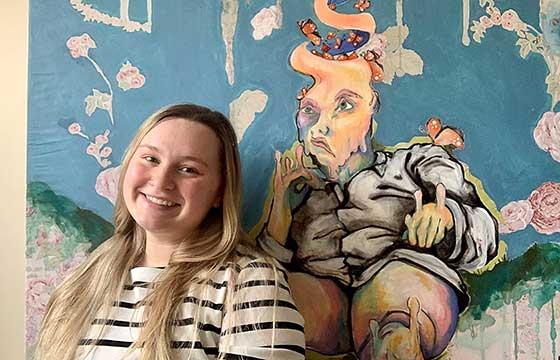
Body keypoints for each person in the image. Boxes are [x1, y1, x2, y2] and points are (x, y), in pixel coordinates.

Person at [255, 1, 498, 359]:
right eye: (311, 110)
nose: (322, 126)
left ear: (371, 113)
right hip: (331, 310)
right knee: (269, 302)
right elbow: (261, 280)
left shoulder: (416, 163)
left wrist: (445, 219)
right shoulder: (300, 190)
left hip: (407, 292)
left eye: (345, 106)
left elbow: (484, 235)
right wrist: (280, 211)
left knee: (394, 315)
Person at [36, 104, 306, 360]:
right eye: (151, 158)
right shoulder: (82, 280)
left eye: (188, 169)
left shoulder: (249, 284)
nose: (161, 181)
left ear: (219, 192)